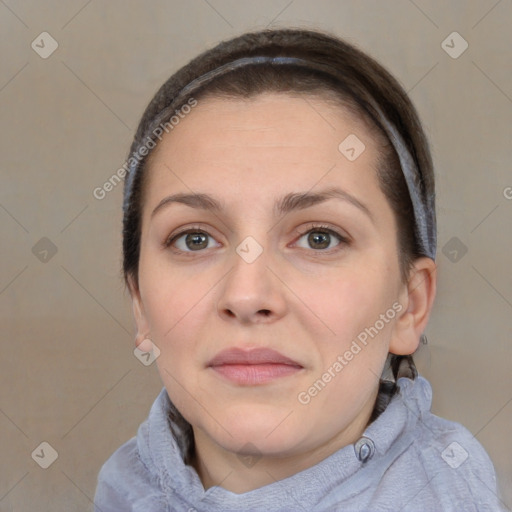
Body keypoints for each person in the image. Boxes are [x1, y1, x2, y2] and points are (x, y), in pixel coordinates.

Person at [94, 28, 506, 511]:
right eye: (195, 239)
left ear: (409, 306)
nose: (247, 295)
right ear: (140, 304)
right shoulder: (121, 490)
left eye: (319, 238)